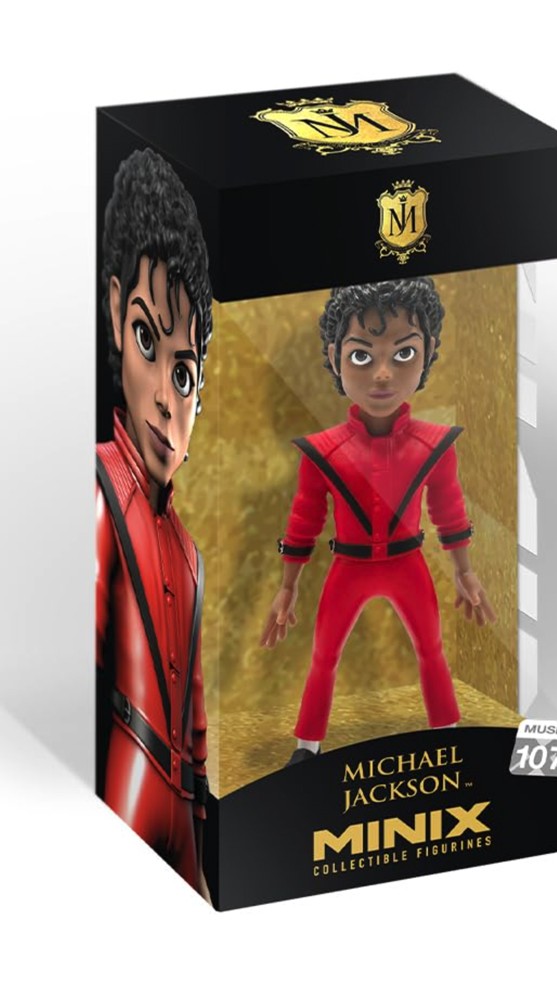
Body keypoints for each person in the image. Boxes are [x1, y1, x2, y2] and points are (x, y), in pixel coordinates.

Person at [260, 277, 496, 765]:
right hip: (349, 566)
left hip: (407, 562)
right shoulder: (323, 451)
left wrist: (465, 571)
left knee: (430, 648)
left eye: (404, 354)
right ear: (334, 357)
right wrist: (288, 586)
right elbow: (305, 519)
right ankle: (307, 748)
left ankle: (446, 733)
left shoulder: (433, 444)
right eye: (362, 356)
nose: (383, 374)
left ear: (428, 352)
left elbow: (448, 508)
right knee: (324, 655)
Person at [96, 148, 213, 898]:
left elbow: (196, 716)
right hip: (126, 777)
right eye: (148, 340)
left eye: (186, 373)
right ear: (115, 314)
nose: (170, 401)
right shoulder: (98, 483)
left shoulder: (192, 552)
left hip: (183, 807)